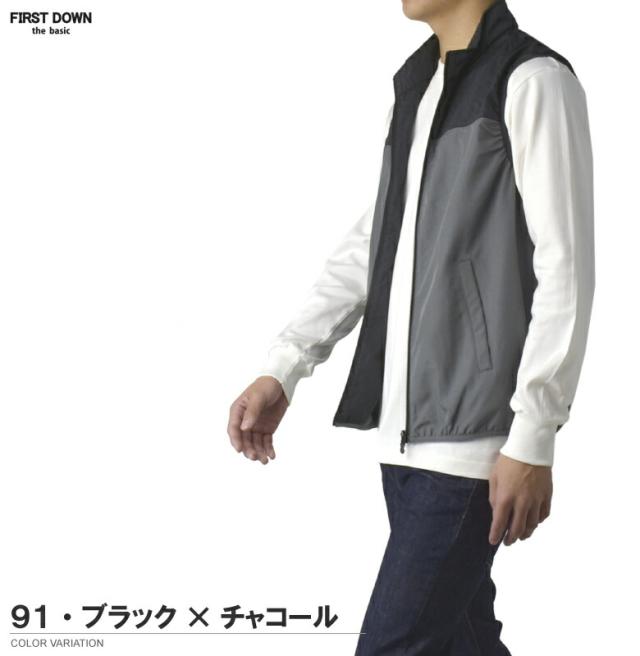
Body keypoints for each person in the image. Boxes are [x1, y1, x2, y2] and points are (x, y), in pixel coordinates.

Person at [227, 0, 595, 653]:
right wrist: (284, 365)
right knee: (462, 640)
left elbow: (566, 267)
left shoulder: (533, 79)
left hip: (474, 440)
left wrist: (534, 434)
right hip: (404, 440)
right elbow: (374, 244)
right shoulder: (419, 86)